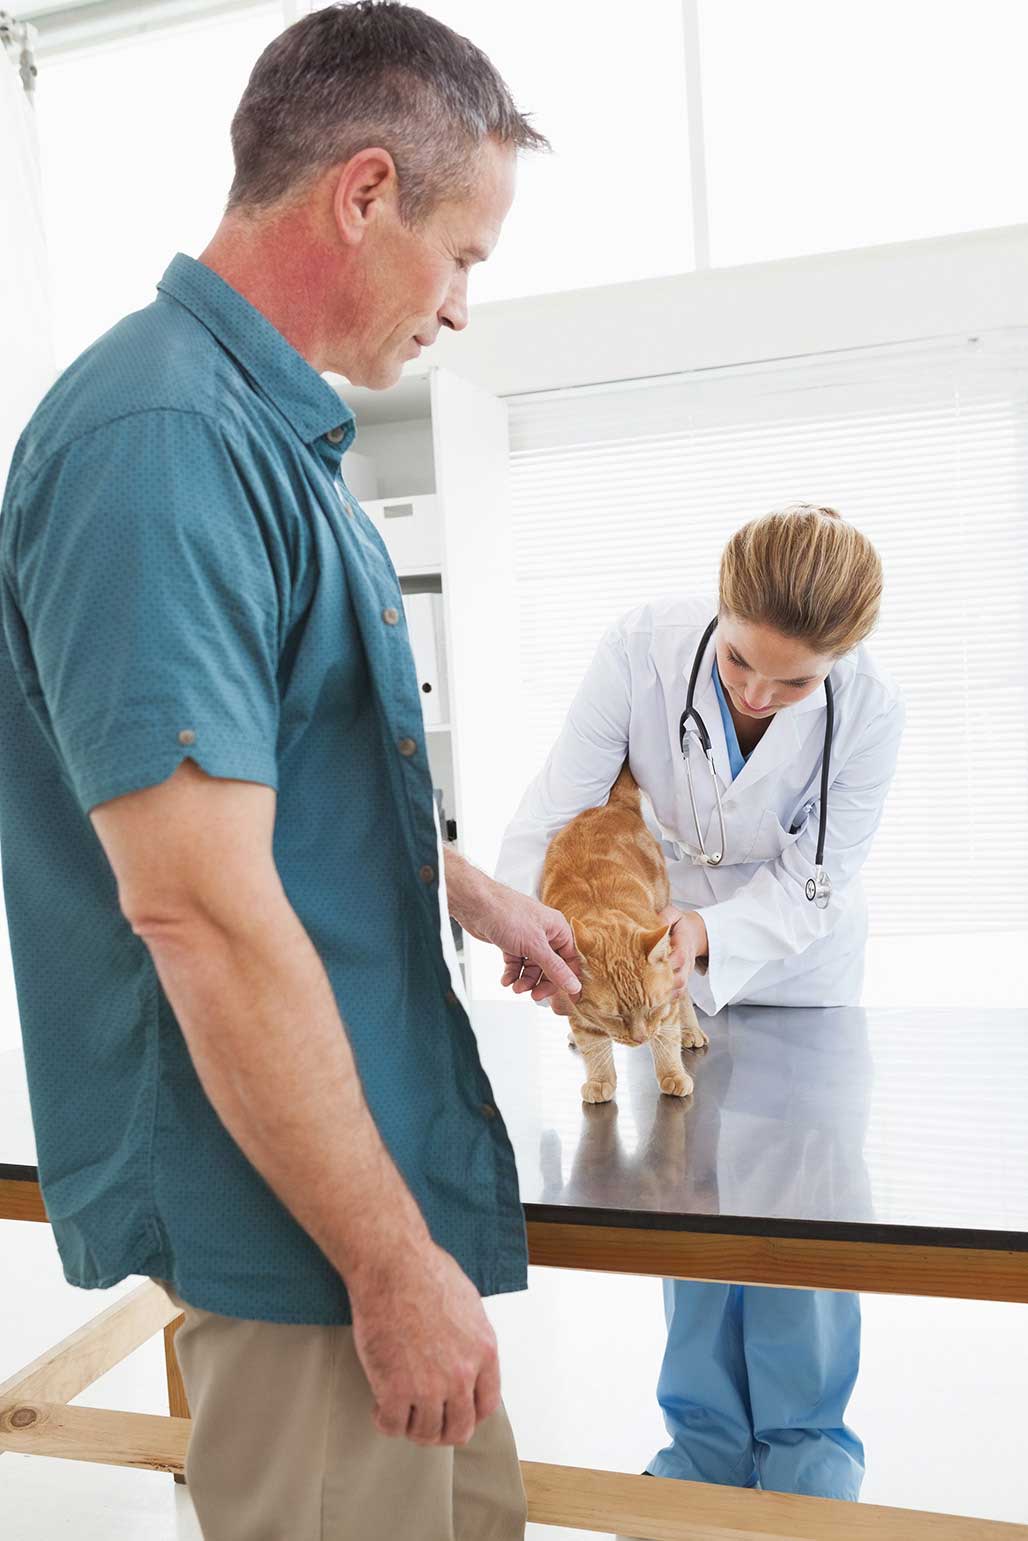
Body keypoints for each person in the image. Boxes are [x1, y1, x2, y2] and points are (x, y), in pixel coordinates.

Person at [0, 6, 582, 1539]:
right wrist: (391, 1268)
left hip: (367, 1185)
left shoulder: (259, 439)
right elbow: (193, 907)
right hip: (303, 1227)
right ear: (365, 192)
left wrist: (463, 888)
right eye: (464, 256)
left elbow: (270, 783)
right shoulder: (159, 442)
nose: (460, 309)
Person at [495, 503, 904, 1502]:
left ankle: (807, 1455)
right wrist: (526, 924)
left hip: (792, 971)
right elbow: (566, 800)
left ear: (840, 659)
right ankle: (703, 1448)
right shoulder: (640, 648)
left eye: (794, 679)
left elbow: (819, 877)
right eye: (737, 663)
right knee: (688, 1197)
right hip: (642, 948)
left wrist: (710, 932)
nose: (760, 692)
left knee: (797, 1211)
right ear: (717, 614)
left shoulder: (870, 713)